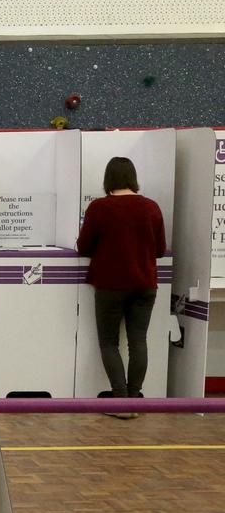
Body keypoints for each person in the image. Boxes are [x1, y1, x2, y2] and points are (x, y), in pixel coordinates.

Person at [77, 156, 166, 419]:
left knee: (109, 342)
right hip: (145, 284)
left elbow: (84, 247)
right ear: (133, 178)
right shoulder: (152, 207)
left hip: (110, 285)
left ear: (108, 180)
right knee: (138, 341)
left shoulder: (99, 208)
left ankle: (120, 402)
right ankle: (135, 398)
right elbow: (159, 250)